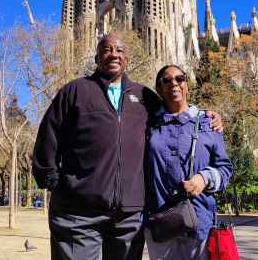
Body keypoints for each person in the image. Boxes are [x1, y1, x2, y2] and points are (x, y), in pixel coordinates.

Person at [33, 35, 223, 260]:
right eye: (106, 49)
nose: (113, 54)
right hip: (79, 212)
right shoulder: (75, 91)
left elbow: (175, 113)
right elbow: (48, 136)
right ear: (96, 57)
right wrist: (56, 183)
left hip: (128, 217)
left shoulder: (144, 97)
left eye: (119, 50)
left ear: (127, 58)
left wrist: (206, 115)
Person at [145, 65, 233, 260]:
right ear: (159, 89)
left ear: (186, 84)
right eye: (166, 81)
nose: (174, 84)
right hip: (161, 223)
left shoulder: (206, 122)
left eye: (179, 79)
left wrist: (204, 179)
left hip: (198, 221)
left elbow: (225, 169)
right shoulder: (148, 124)